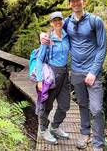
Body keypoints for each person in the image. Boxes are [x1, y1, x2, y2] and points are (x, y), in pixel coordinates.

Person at [41, 0, 107, 151]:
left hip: (93, 72)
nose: (76, 3)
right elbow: (56, 31)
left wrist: (93, 71)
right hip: (76, 71)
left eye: (79, 0)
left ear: (84, 2)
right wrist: (43, 36)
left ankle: (98, 145)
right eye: (72, 1)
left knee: (96, 109)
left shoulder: (95, 21)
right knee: (83, 104)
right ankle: (84, 134)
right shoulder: (68, 22)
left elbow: (102, 47)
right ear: (69, 4)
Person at [36, 11, 70, 145]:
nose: (57, 22)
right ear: (51, 23)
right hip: (51, 75)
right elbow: (39, 59)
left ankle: (55, 127)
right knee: (47, 105)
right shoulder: (47, 39)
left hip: (64, 74)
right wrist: (39, 79)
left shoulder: (67, 36)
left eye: (59, 20)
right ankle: (43, 129)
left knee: (65, 105)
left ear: (63, 21)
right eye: (54, 20)